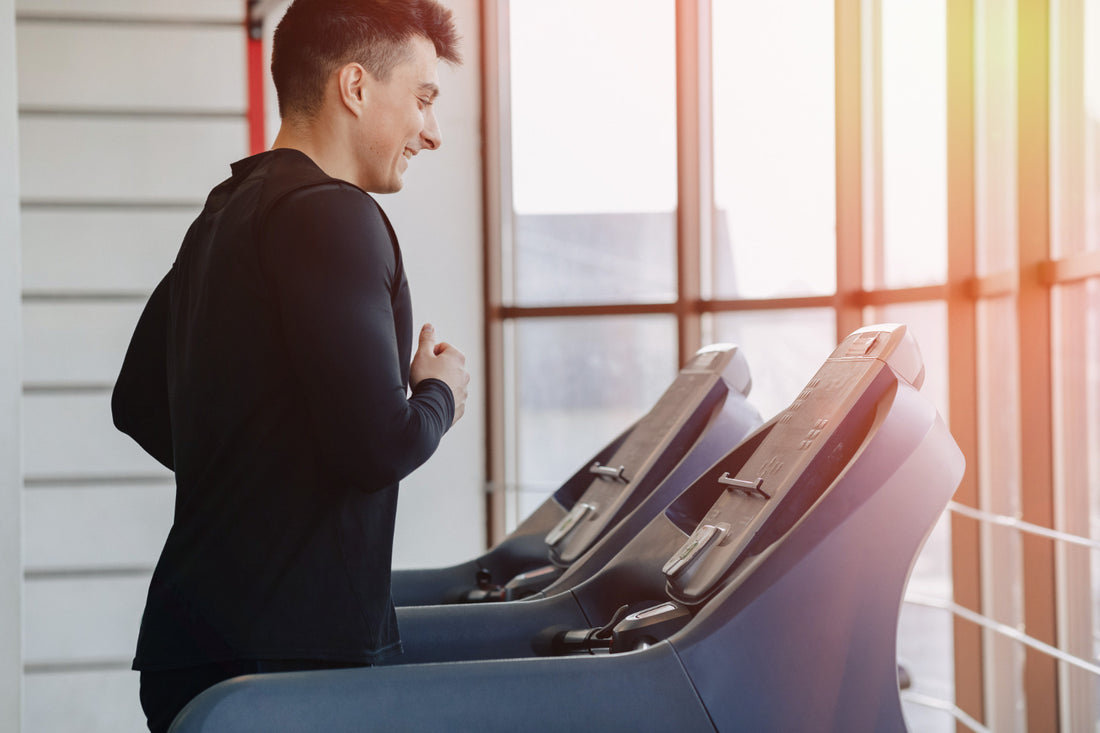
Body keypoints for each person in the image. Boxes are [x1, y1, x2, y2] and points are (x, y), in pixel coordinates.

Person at [111, 1, 469, 730]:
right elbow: (380, 445)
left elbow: (136, 402)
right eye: (423, 100)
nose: (431, 133)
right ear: (357, 87)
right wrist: (439, 394)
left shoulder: (226, 207)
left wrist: (264, 473)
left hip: (193, 649)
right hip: (287, 662)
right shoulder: (335, 213)